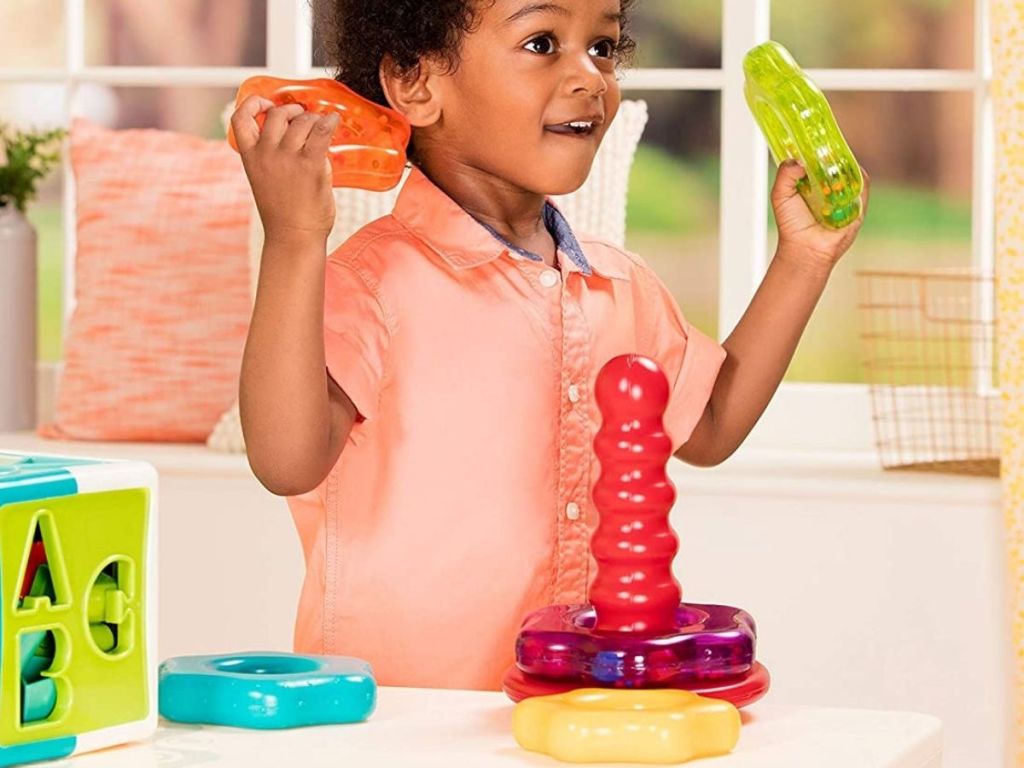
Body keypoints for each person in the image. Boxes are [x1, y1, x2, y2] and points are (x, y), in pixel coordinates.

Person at [232, 0, 869, 690]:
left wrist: (803, 260)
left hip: (569, 714)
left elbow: (709, 426)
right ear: (417, 82)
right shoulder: (372, 279)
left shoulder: (620, 286)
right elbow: (286, 460)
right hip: (396, 720)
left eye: (602, 47)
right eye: (542, 43)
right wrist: (295, 238)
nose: (589, 77)